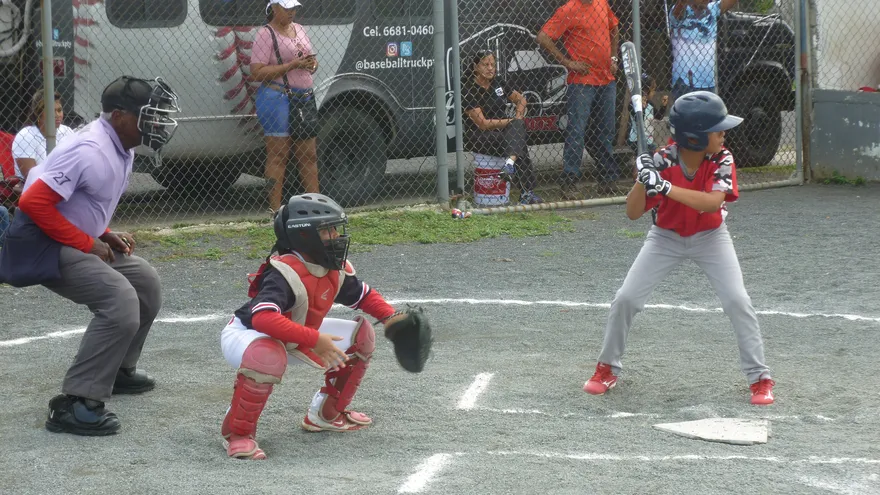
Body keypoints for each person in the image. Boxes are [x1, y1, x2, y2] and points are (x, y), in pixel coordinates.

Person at [0, 75, 181, 435]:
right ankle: (76, 403)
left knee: (145, 282)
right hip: (39, 242)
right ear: (119, 116)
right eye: (148, 115)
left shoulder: (120, 145)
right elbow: (33, 203)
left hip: (64, 234)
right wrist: (88, 243)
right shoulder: (90, 148)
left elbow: (80, 202)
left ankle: (116, 371)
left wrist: (103, 232)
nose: (156, 123)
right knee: (119, 298)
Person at [583, 91, 775, 406]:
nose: (723, 134)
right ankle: (606, 368)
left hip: (711, 237)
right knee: (626, 299)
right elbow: (632, 212)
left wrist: (665, 186)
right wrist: (643, 179)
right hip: (665, 238)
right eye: (716, 129)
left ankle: (760, 378)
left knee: (738, 301)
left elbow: (711, 203)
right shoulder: (661, 161)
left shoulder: (722, 158)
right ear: (694, 138)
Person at [218, 193, 417, 460]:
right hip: (248, 335)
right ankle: (237, 434)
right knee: (266, 355)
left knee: (362, 336)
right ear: (304, 235)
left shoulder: (329, 266)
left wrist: (390, 317)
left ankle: (326, 414)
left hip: (295, 334)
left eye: (336, 229)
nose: (336, 236)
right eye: (327, 231)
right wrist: (314, 339)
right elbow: (263, 319)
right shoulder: (284, 272)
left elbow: (363, 295)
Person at [537, 0, 621, 199]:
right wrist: (567, 62)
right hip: (582, 81)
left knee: (606, 131)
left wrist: (613, 58)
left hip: (606, 79)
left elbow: (614, 28)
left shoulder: (601, 3)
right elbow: (543, 37)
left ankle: (607, 180)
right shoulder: (568, 9)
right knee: (576, 132)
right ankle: (569, 182)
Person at [250, 0, 320, 212]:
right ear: (273, 8)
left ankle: (316, 207)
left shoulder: (299, 29)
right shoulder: (266, 34)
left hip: (304, 98)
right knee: (278, 155)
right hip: (277, 98)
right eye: (287, 8)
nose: (292, 12)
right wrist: (292, 65)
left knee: (309, 156)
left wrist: (311, 64)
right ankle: (275, 210)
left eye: (294, 8)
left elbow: (308, 58)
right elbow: (257, 72)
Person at [462, 50, 543, 205]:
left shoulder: (498, 82)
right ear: (475, 66)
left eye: (493, 65)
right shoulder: (467, 88)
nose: (490, 68)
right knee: (517, 139)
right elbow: (482, 123)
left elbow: (521, 99)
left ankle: (510, 165)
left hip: (505, 130)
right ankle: (525, 191)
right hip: (479, 135)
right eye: (485, 64)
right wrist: (512, 122)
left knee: (516, 131)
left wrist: (517, 118)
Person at [668, 0, 739, 103]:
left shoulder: (712, 9)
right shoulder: (681, 10)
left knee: (708, 113)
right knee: (687, 113)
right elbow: (677, 12)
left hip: (708, 82)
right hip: (685, 82)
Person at [12, 90, 77, 182]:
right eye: (51, 111)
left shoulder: (67, 131)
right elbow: (32, 178)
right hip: (37, 187)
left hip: (65, 183)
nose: (57, 115)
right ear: (38, 113)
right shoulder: (25, 136)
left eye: (59, 110)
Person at [627, 73, 668, 155]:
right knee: (654, 154)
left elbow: (658, 117)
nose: (654, 93)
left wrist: (663, 106)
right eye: (653, 90)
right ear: (646, 91)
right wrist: (642, 108)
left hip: (648, 140)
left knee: (657, 154)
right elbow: (639, 121)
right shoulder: (633, 104)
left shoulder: (650, 104)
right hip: (636, 140)